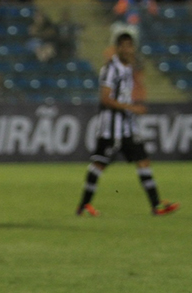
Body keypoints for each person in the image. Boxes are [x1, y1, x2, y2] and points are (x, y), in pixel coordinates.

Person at [76, 33, 179, 217]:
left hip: (127, 128)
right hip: (110, 128)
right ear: (117, 48)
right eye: (123, 46)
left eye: (129, 46)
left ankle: (156, 205)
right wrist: (132, 107)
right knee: (99, 164)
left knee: (143, 161)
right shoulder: (110, 69)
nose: (127, 49)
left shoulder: (128, 68)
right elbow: (105, 99)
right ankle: (84, 205)